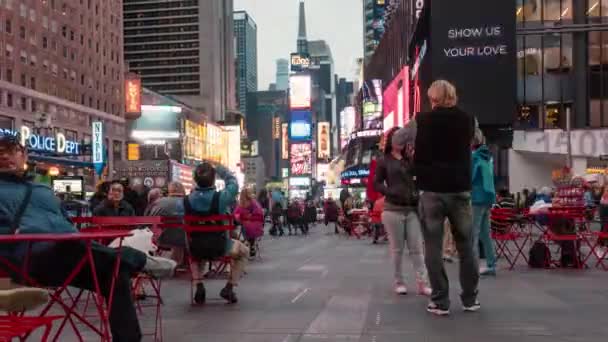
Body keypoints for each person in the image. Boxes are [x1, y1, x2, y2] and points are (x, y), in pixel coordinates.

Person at [0, 133, 176, 341]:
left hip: (69, 256)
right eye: (1, 153)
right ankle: (140, 260)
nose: (5, 156)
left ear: (24, 156)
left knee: (115, 274)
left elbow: (65, 225)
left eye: (12, 151)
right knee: (73, 247)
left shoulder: (43, 190)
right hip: (24, 260)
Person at [406, 80, 479, 315]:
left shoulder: (420, 121)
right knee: (466, 246)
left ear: (433, 99)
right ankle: (469, 299)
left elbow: (397, 139)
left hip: (431, 190)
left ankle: (439, 300)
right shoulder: (468, 119)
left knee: (434, 247)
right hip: (459, 189)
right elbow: (480, 140)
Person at [176, 162, 249, 304]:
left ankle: (198, 285)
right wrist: (220, 169)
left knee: (194, 252)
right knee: (244, 251)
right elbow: (233, 183)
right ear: (214, 179)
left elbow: (182, 222)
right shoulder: (222, 198)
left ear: (195, 179)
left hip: (195, 248)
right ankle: (229, 287)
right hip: (221, 247)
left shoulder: (184, 203)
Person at [374, 127, 431, 296]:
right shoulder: (384, 161)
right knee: (397, 249)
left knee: (416, 248)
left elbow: (420, 176)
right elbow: (377, 183)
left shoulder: (409, 159)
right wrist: (389, 191)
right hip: (392, 209)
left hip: (412, 208)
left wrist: (413, 156)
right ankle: (399, 281)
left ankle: (423, 283)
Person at [471, 128, 497, 276]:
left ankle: (473, 266)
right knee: (486, 234)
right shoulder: (487, 156)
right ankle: (491, 264)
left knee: (473, 234)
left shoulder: (473, 157)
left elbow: (470, 178)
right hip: (488, 199)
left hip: (476, 198)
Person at [234, 188, 264, 258]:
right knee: (246, 227)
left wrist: (243, 217)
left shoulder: (245, 203)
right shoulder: (253, 203)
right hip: (255, 224)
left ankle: (247, 245)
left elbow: (236, 214)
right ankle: (250, 245)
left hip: (252, 224)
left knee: (245, 227)